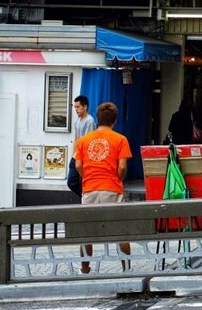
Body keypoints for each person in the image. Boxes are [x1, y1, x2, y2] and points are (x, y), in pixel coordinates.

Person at [74, 102, 132, 274]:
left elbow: (78, 164)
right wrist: (118, 177)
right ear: (115, 120)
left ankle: (85, 268)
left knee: (87, 232)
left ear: (98, 119)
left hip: (90, 188)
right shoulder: (120, 139)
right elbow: (122, 167)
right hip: (112, 188)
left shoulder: (84, 140)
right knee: (120, 231)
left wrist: (87, 176)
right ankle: (126, 269)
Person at [67, 95, 96, 196]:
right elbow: (76, 139)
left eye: (78, 107)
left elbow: (89, 142)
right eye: (75, 107)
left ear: (85, 107)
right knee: (71, 182)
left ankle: (87, 197)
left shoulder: (90, 121)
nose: (76, 109)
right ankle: (85, 196)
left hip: (84, 158)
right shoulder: (78, 121)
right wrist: (73, 155)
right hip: (77, 156)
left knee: (83, 181)